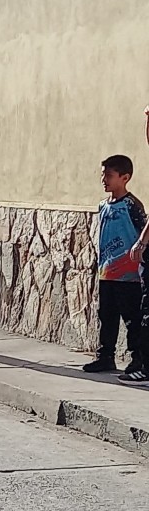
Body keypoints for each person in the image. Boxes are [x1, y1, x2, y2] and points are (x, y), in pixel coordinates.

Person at [81, 155, 145, 375]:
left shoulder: (131, 205)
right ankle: (105, 356)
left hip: (128, 275)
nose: (104, 180)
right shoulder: (103, 206)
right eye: (103, 175)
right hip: (106, 272)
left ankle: (138, 358)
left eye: (109, 175)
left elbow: (142, 233)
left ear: (124, 178)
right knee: (106, 316)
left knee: (132, 318)